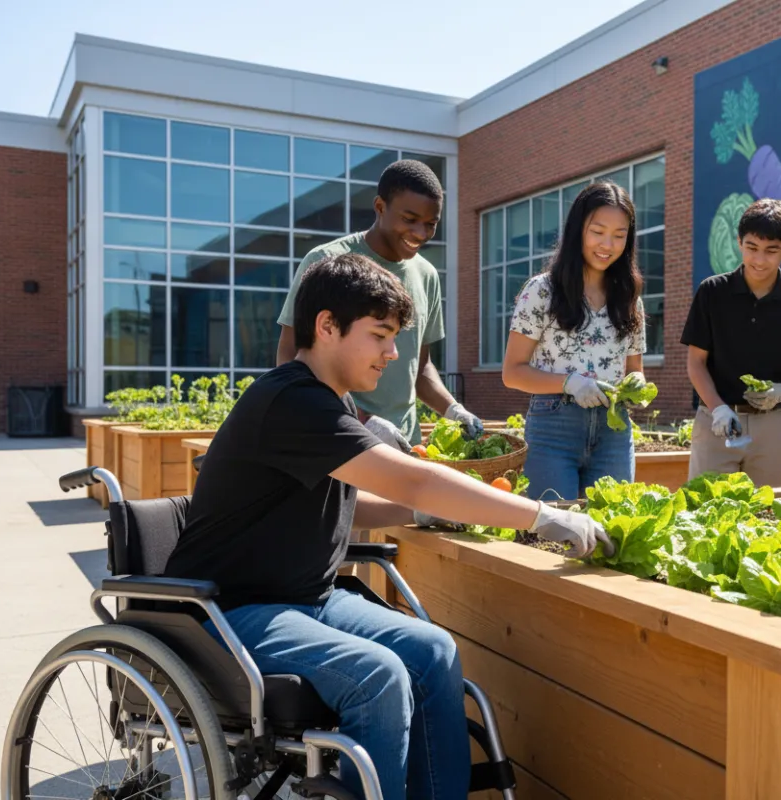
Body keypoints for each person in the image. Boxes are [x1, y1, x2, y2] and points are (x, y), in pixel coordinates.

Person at [165, 253, 611, 800]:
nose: (393, 353)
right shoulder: (291, 403)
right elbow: (417, 480)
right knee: (379, 676)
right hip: (230, 610)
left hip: (306, 598)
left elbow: (352, 505)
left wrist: (418, 515)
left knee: (434, 652)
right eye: (380, 335)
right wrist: (543, 515)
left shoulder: (332, 402)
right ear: (327, 326)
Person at [275, 159, 483, 451]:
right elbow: (290, 358)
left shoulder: (427, 276)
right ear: (380, 207)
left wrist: (452, 409)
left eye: (431, 224)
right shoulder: (327, 262)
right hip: (338, 438)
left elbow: (419, 367)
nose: (421, 234)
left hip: (405, 444)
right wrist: (361, 420)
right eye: (410, 220)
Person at [501, 181, 647, 502]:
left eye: (619, 235)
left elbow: (635, 369)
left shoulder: (629, 298)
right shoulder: (541, 290)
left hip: (614, 431)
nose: (607, 244)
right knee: (553, 531)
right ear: (577, 229)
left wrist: (636, 388)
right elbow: (513, 372)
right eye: (597, 231)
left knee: (610, 533)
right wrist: (570, 383)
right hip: (554, 429)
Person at [681, 198, 781, 488]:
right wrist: (718, 407)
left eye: (771, 251)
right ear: (739, 242)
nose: (759, 260)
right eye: (751, 248)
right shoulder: (712, 292)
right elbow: (696, 363)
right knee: (705, 514)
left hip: (771, 424)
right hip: (716, 417)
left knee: (767, 516)